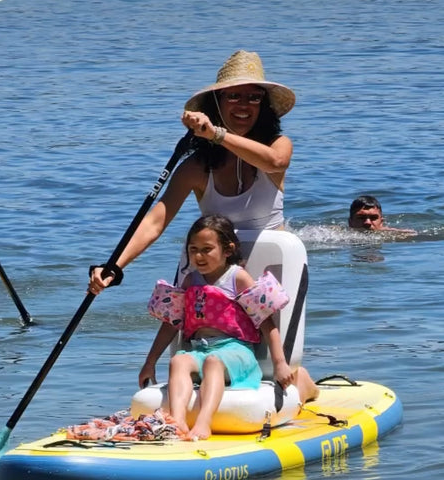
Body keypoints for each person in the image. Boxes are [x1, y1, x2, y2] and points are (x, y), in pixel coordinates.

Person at [88, 49, 296, 294]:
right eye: (234, 96)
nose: (244, 105)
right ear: (216, 103)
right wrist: (114, 266)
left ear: (264, 105)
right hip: (213, 272)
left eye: (254, 97)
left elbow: (276, 162)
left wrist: (217, 134)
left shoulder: (277, 144)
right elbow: (155, 222)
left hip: (271, 269)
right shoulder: (196, 167)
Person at [139, 215, 318, 440]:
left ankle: (204, 423)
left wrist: (280, 363)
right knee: (178, 361)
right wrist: (150, 362)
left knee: (215, 361)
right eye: (193, 249)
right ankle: (178, 421)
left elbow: (266, 323)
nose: (198, 256)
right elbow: (170, 325)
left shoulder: (238, 278)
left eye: (207, 249)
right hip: (200, 350)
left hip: (236, 351)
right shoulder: (190, 281)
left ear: (227, 250)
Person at [348, 195, 416, 234]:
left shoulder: (393, 234)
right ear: (350, 222)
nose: (367, 222)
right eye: (361, 217)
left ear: (381, 222)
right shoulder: (340, 236)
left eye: (373, 218)